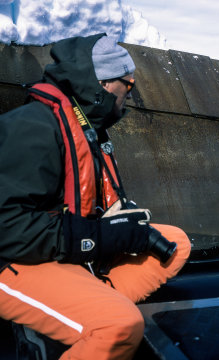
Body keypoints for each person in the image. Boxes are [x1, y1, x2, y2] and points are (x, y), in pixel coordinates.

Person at [0, 33, 191, 360]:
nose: (131, 92)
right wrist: (101, 238)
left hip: (56, 252)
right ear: (103, 85)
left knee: (176, 244)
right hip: (14, 260)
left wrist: (119, 224)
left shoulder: (87, 127)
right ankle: (98, 321)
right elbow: (8, 227)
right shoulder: (32, 127)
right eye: (127, 84)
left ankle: (83, 308)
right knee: (119, 325)